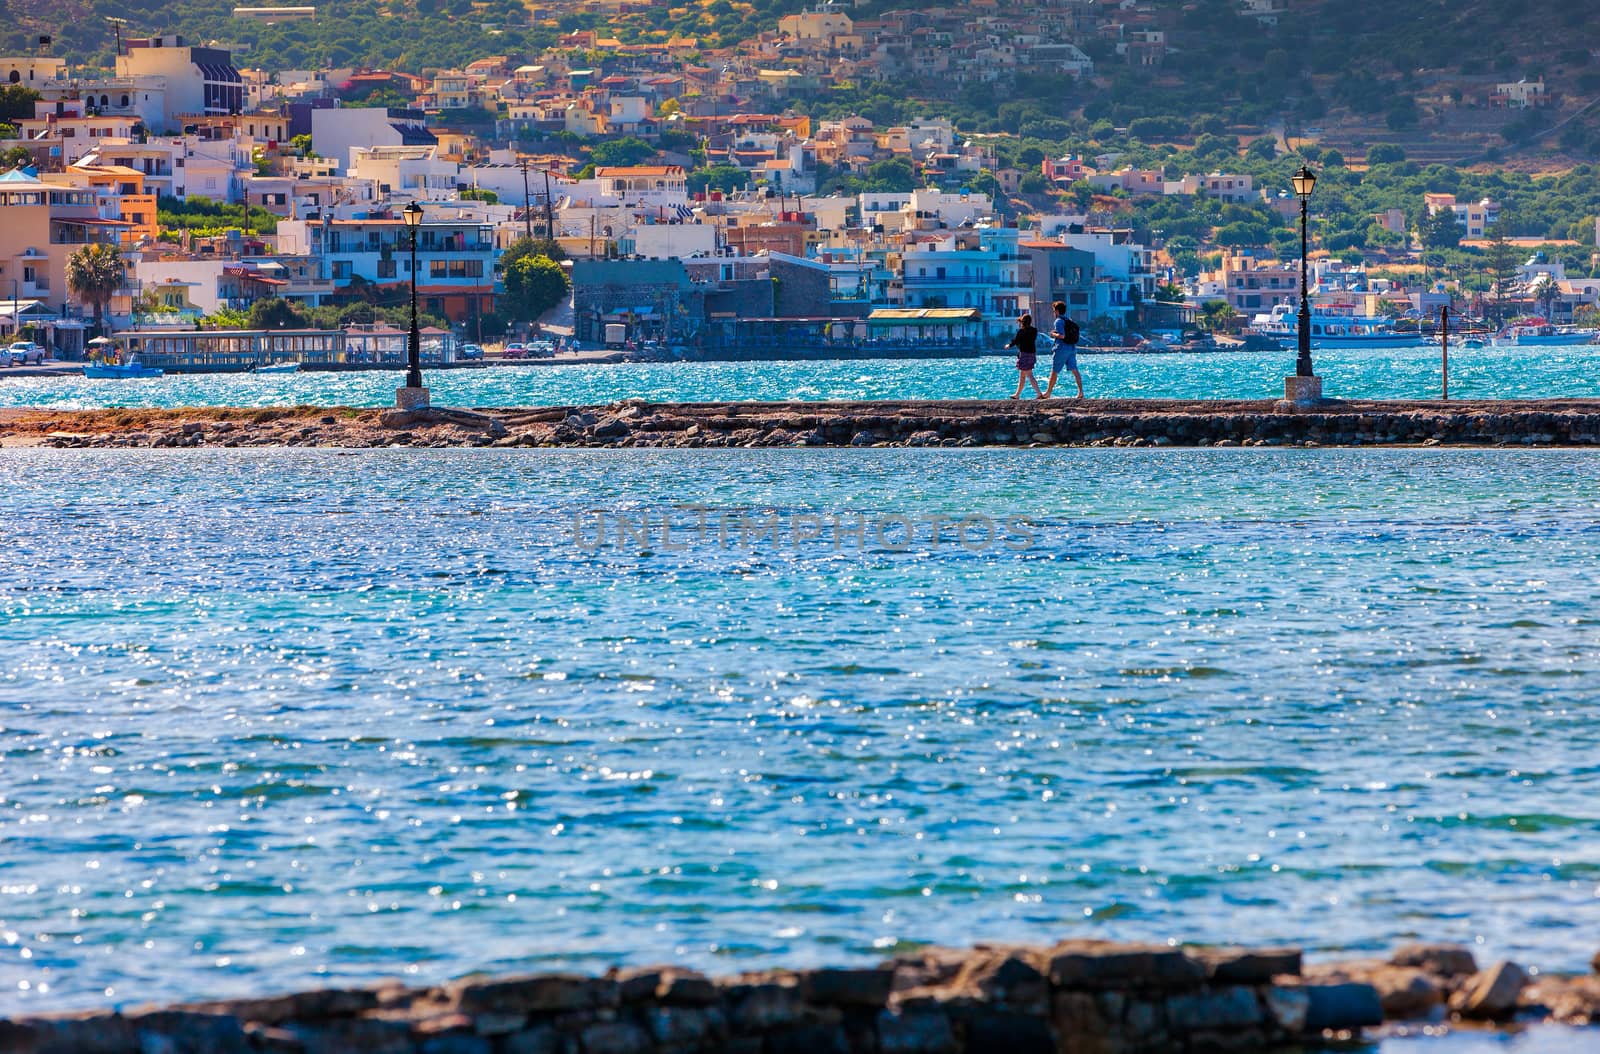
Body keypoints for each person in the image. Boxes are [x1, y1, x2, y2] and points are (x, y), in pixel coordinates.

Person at [1042, 300, 1084, 399]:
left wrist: (1053, 334)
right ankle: (1081, 392)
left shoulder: (1058, 321)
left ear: (1057, 311)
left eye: (1053, 311)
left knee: (1054, 371)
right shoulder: (1069, 320)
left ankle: (1048, 393)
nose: (1053, 313)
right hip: (1072, 348)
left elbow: (1062, 336)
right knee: (1075, 370)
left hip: (1062, 348)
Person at [1005, 313, 1043, 399]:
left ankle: (1039, 393)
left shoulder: (1021, 331)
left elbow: (1016, 341)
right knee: (1022, 376)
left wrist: (1009, 345)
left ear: (1022, 322)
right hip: (1032, 354)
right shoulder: (1034, 331)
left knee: (1029, 375)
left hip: (1024, 355)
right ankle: (1017, 395)